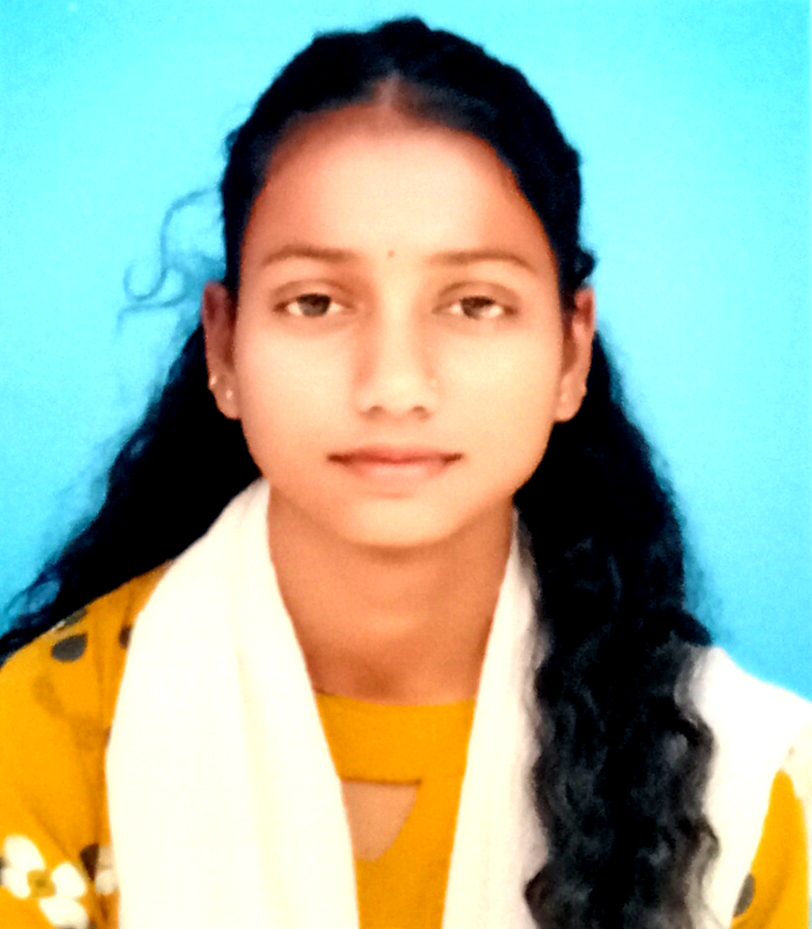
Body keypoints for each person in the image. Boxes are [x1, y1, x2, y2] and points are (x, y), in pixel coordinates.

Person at [0, 17, 809, 929]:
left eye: (474, 304)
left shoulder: (739, 783)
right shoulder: (37, 742)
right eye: (316, 302)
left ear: (571, 351)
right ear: (224, 346)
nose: (392, 386)